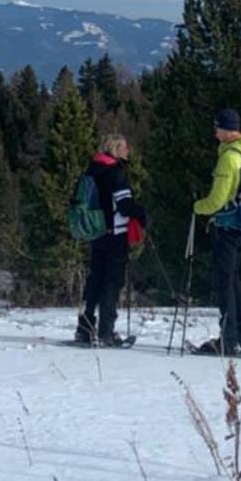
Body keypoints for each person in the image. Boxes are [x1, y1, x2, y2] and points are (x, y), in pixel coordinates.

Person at [191, 107, 241, 356]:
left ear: (225, 129)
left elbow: (218, 198)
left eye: (217, 128)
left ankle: (229, 337)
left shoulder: (229, 157)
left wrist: (198, 207)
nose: (215, 132)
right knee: (232, 277)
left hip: (228, 223)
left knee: (224, 281)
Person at [75, 134, 147, 347]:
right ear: (116, 149)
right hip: (115, 233)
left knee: (95, 278)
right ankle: (106, 332)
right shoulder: (116, 171)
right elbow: (124, 204)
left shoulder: (92, 169)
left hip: (96, 232)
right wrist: (142, 214)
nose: (128, 151)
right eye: (124, 147)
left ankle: (85, 328)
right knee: (112, 281)